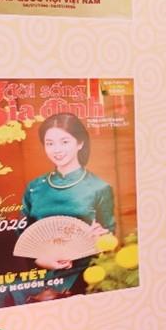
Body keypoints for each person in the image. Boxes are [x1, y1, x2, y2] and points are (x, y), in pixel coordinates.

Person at [20, 113, 114, 293]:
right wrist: (40, 260)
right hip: (39, 277)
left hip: (85, 276)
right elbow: (22, 234)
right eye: (50, 143)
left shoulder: (99, 188)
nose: (57, 150)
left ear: (80, 143)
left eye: (64, 142)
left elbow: (109, 240)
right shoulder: (34, 187)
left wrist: (100, 239)